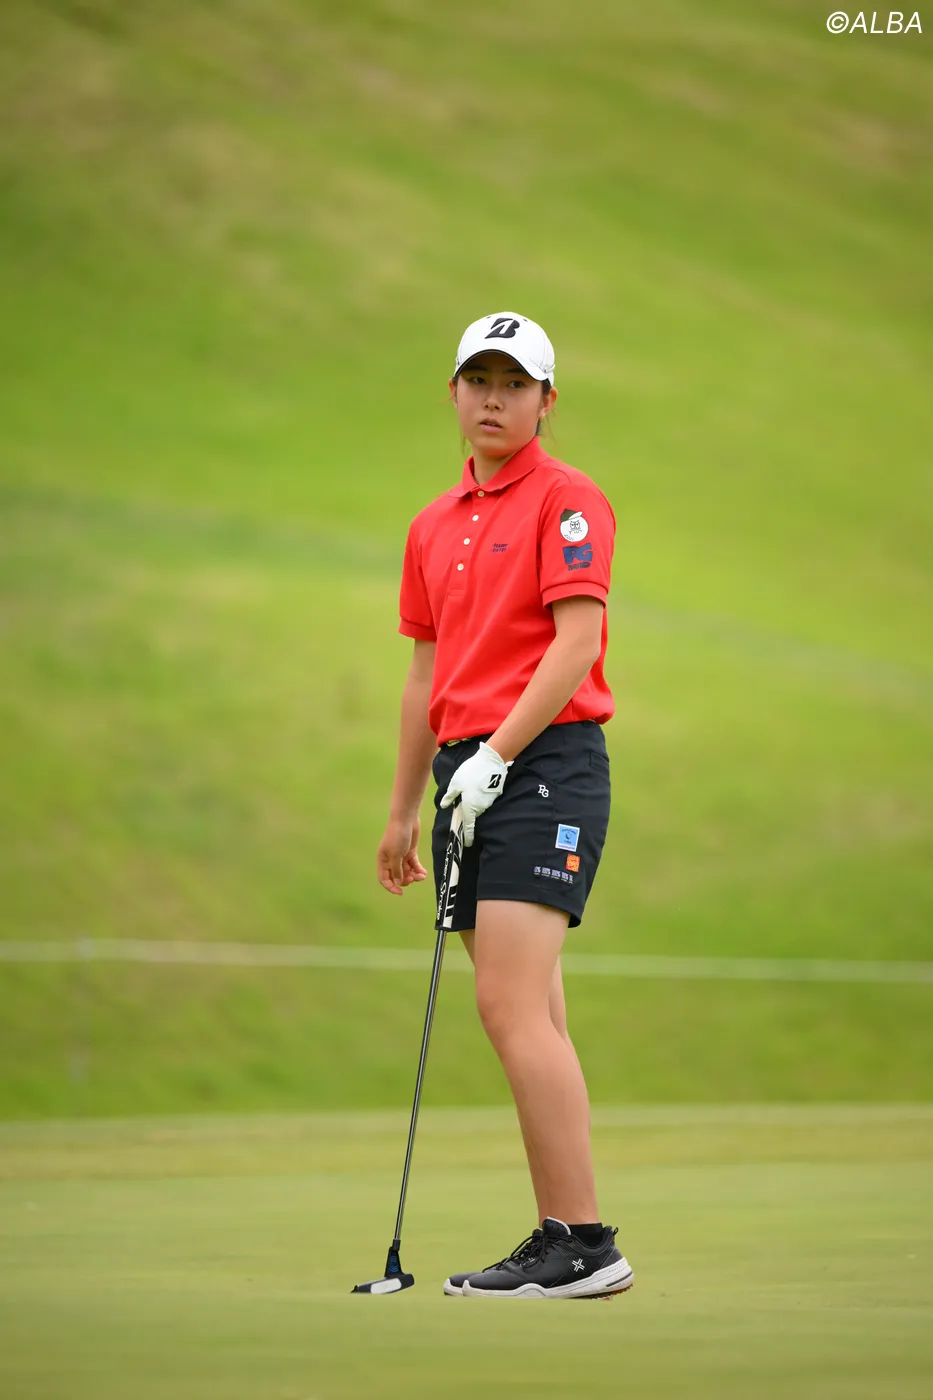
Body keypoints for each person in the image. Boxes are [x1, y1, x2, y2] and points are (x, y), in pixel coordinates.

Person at [376, 312, 633, 1300]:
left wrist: (498, 753)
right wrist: (404, 809)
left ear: (545, 400)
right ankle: (565, 1234)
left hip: (544, 766)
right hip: (465, 777)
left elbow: (576, 643)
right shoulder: (432, 523)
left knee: (509, 1005)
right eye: (478, 379)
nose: (493, 398)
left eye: (514, 383)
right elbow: (424, 675)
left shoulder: (568, 500)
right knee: (534, 1014)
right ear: (452, 392)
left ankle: (586, 1242)